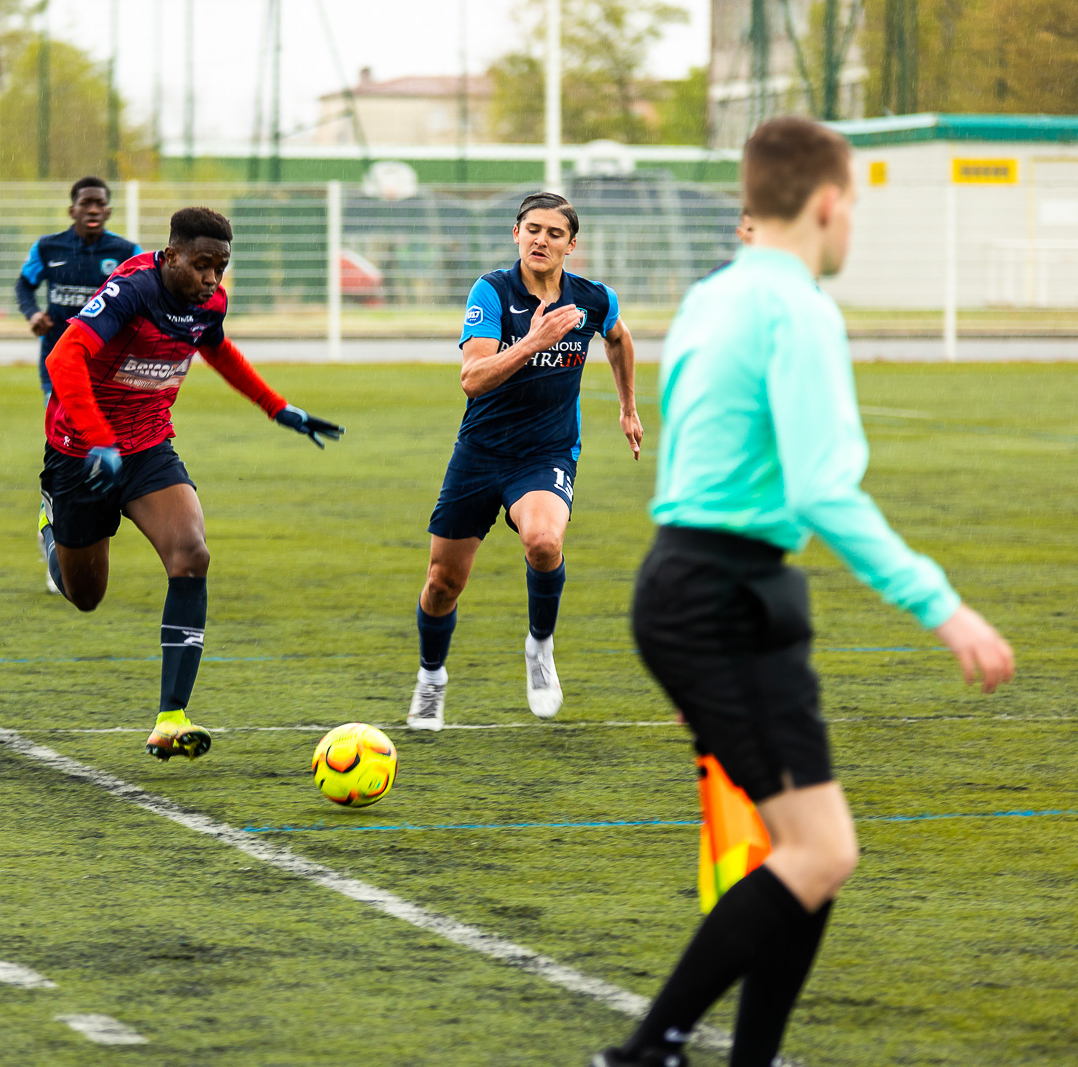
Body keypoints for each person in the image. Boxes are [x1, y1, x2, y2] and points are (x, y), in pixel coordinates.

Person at [595, 117, 1015, 1067]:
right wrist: (941, 604)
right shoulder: (800, 308)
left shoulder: (712, 297)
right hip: (725, 594)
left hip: (696, 583)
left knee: (813, 849)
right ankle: (646, 1050)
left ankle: (738, 1057)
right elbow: (824, 487)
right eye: (855, 205)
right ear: (830, 203)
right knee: (818, 852)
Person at [37, 207, 344, 762]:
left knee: (191, 555)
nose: (211, 279)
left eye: (220, 268)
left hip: (149, 447)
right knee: (85, 596)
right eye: (202, 265)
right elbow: (65, 356)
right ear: (171, 255)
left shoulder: (208, 305)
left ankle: (170, 719)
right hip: (83, 452)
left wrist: (278, 408)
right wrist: (99, 437)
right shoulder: (131, 290)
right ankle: (52, 527)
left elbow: (217, 347)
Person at [408, 192, 642, 731]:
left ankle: (540, 647)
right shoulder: (492, 291)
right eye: (532, 229)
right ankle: (431, 679)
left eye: (554, 233)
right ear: (517, 234)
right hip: (480, 453)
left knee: (543, 541)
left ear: (571, 245)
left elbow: (620, 338)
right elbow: (473, 378)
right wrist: (535, 340)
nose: (541, 239)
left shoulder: (592, 298)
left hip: (546, 453)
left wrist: (628, 406)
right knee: (443, 581)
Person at [15, 177, 143, 403]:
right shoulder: (48, 248)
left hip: (108, 356)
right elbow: (24, 284)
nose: (93, 210)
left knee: (105, 431)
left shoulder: (127, 251)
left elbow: (145, 294)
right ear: (72, 210)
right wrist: (34, 314)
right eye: (85, 203)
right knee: (62, 431)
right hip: (59, 352)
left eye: (99, 204)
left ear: (108, 211)